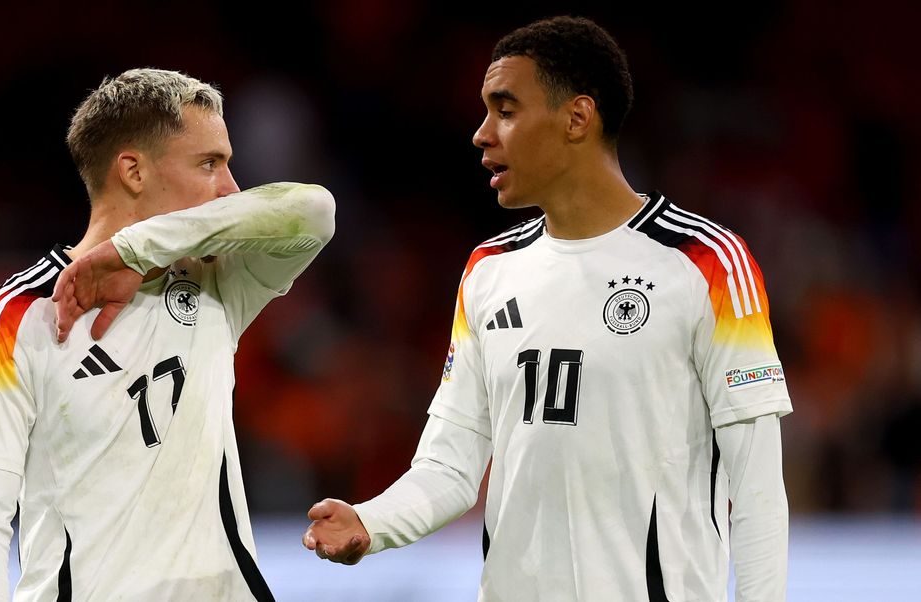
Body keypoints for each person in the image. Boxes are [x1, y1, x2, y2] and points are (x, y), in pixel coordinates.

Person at [303, 16, 790, 602]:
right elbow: (451, 467)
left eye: (505, 110)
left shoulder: (706, 263)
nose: (482, 134)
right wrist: (372, 522)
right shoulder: (488, 269)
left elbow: (757, 484)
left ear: (577, 118)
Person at [0, 68, 334, 601]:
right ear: (132, 171)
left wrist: (140, 248)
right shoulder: (15, 316)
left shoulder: (217, 279)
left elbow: (313, 212)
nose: (231, 189)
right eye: (208, 164)